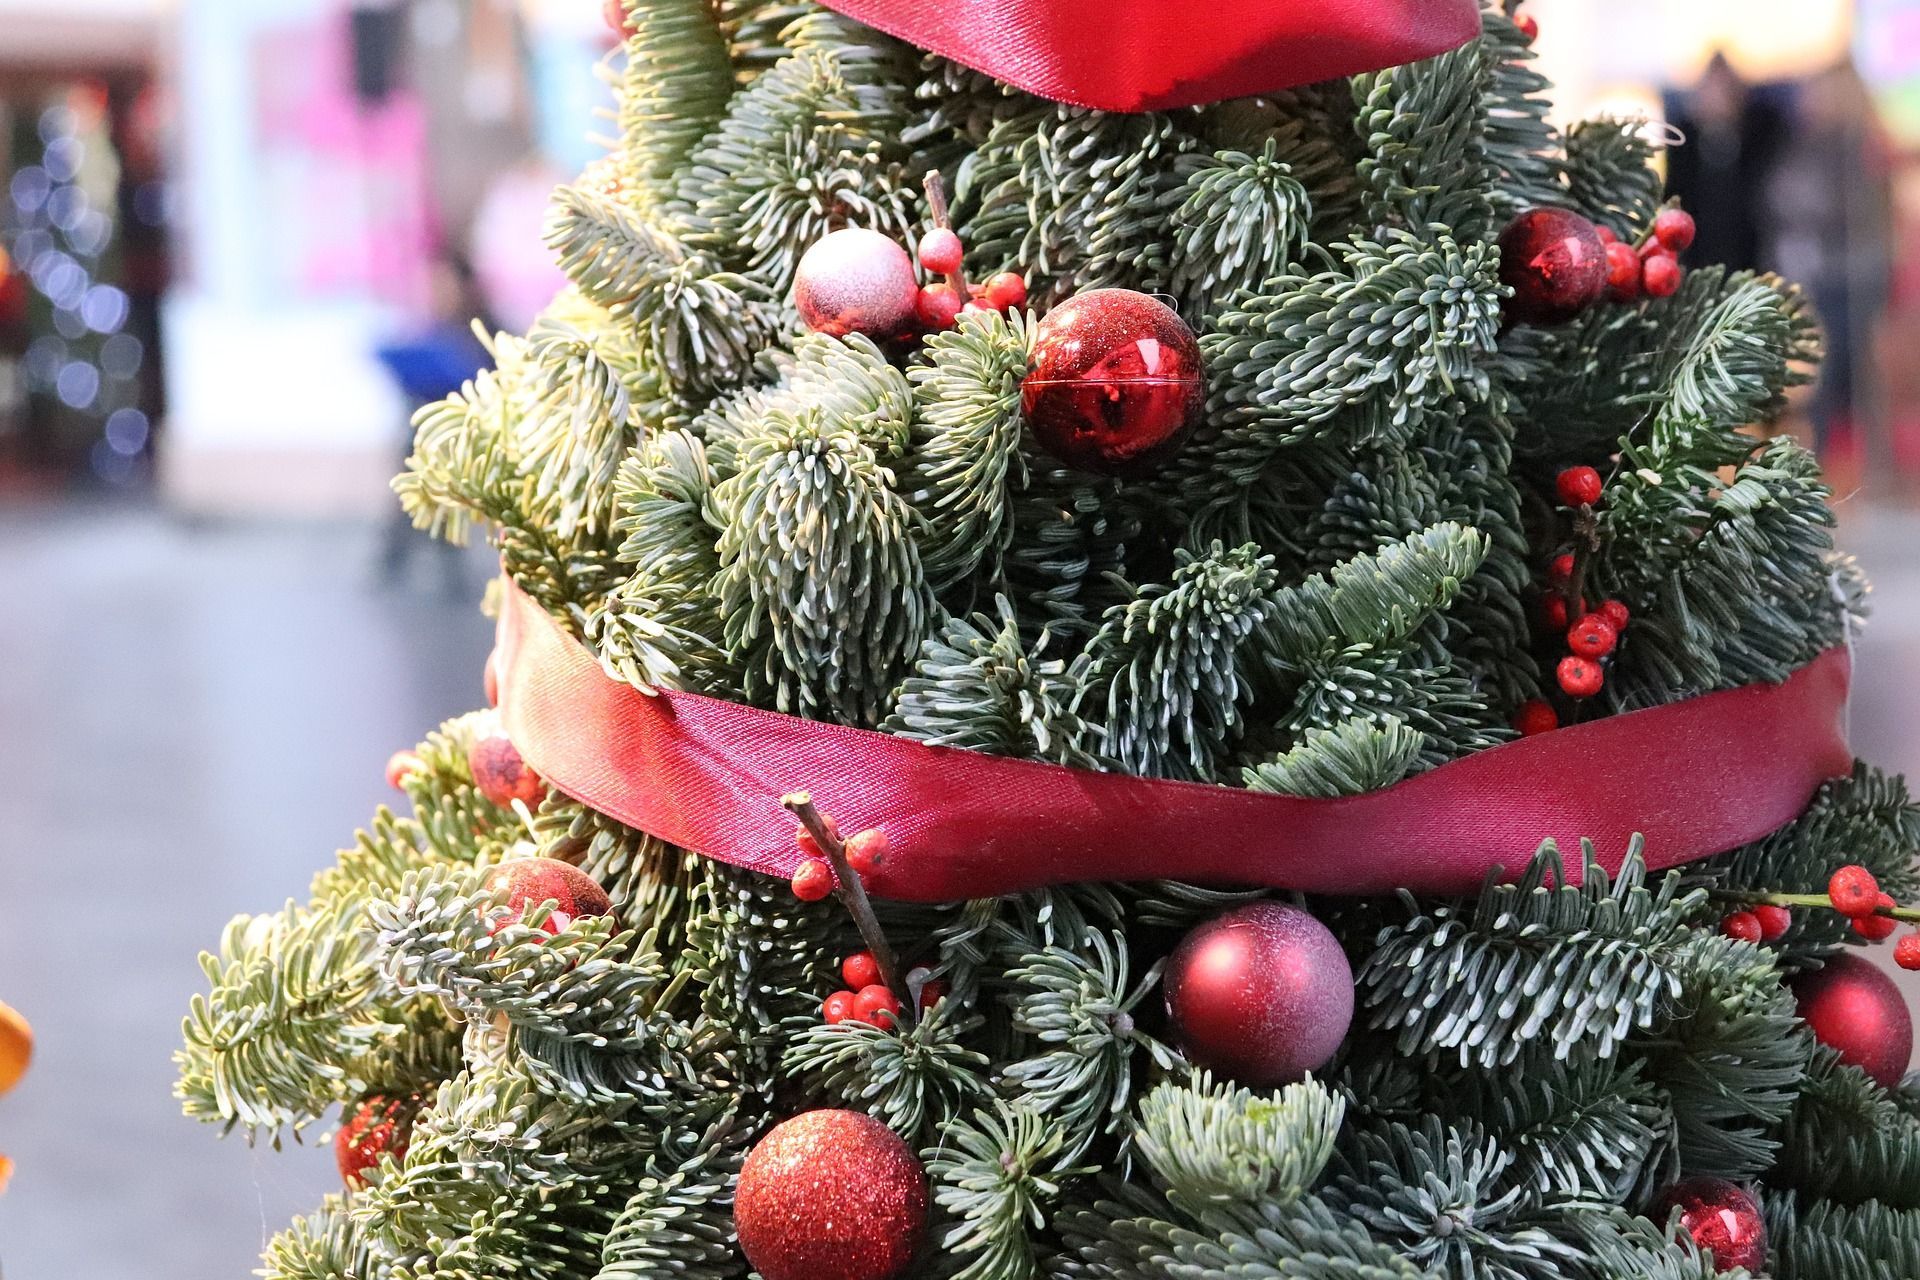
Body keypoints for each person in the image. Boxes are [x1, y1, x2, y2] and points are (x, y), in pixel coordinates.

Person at [1763, 59, 1894, 457]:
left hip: (1855, 276)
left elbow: (1858, 208)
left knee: (1851, 374)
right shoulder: (1807, 143)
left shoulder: (1860, 145)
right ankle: (1826, 461)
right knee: (1828, 373)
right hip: (1822, 274)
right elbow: (1777, 195)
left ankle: (1858, 462)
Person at [375, 251, 496, 590]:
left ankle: (444, 568)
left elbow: (497, 378)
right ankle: (394, 562)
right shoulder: (429, 330)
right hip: (426, 435)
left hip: (470, 436)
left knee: (439, 496)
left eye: (445, 285)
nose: (438, 293)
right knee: (411, 491)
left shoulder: (485, 327)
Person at [1665, 51, 1788, 273]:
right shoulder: (1685, 140)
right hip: (1698, 257)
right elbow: (1675, 194)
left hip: (1751, 256)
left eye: (1725, 90)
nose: (1718, 98)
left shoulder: (1759, 134)